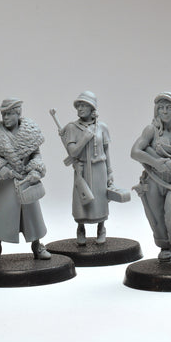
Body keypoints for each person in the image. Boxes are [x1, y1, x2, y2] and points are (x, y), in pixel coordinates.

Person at [0, 98, 51, 264]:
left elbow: (36, 154)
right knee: (0, 216)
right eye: (3, 114)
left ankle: (37, 246)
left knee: (32, 217)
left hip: (26, 180)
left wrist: (35, 170)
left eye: (9, 114)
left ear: (18, 113)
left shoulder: (30, 132)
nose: (5, 117)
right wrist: (1, 168)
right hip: (7, 181)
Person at [131, 92, 171, 266]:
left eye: (168, 108)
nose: (164, 111)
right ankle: (165, 246)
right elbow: (135, 152)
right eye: (161, 108)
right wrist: (156, 163)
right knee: (157, 217)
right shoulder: (151, 130)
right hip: (155, 180)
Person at [62, 91, 113, 245]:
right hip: (82, 169)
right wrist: (85, 138)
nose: (80, 108)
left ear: (92, 108)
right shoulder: (72, 127)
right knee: (81, 199)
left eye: (84, 105)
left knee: (100, 199)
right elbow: (73, 152)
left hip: (99, 168)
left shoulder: (102, 127)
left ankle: (101, 229)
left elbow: (106, 151)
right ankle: (80, 229)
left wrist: (110, 171)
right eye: (78, 105)